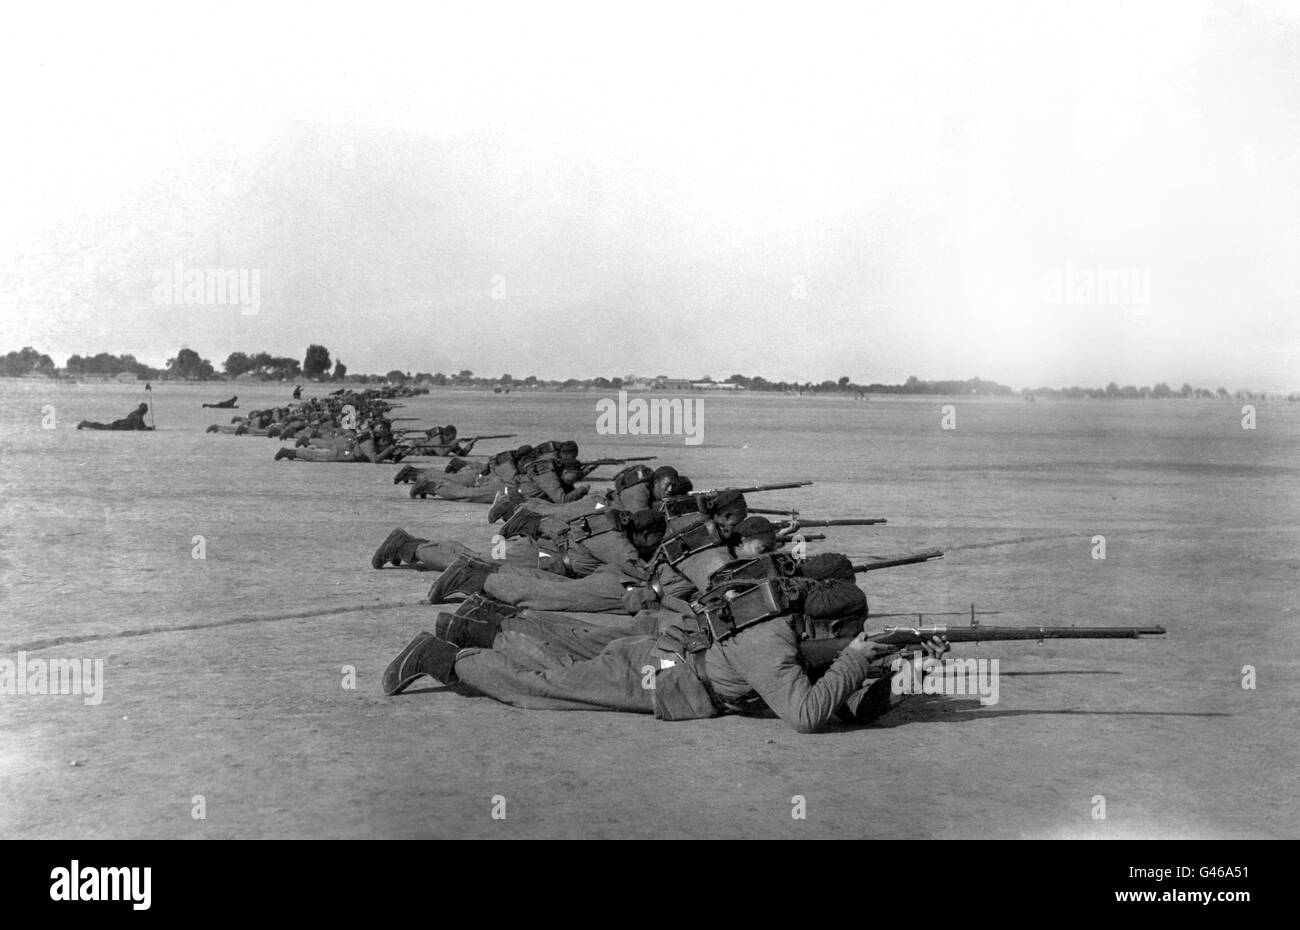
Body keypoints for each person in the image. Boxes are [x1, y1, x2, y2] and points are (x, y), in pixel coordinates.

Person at [381, 552, 950, 733]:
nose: (850, 642)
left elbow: (830, 692)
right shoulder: (769, 639)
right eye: (846, 635)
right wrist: (853, 662)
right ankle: (442, 658)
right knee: (541, 690)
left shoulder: (781, 626)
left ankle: (474, 626)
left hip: (667, 661)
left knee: (568, 658)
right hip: (665, 677)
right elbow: (804, 714)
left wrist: (891, 672)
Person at [77, 403, 152, 431]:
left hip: (120, 422)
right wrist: (150, 429)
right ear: (145, 410)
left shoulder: (134, 412)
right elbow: (140, 428)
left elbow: (141, 425)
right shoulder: (138, 416)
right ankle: (86, 423)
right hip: (122, 426)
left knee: (104, 426)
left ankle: (86, 423)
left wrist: (149, 428)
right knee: (103, 427)